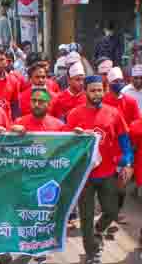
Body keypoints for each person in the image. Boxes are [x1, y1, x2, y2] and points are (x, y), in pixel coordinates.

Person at [65, 76, 133, 264]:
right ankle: (92, 252)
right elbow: (66, 143)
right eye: (93, 90)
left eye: (100, 90)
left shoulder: (113, 113)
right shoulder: (74, 114)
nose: (97, 94)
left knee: (111, 211)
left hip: (107, 173)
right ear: (85, 91)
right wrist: (75, 136)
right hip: (84, 176)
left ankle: (99, 230)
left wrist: (127, 162)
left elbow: (124, 140)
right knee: (86, 217)